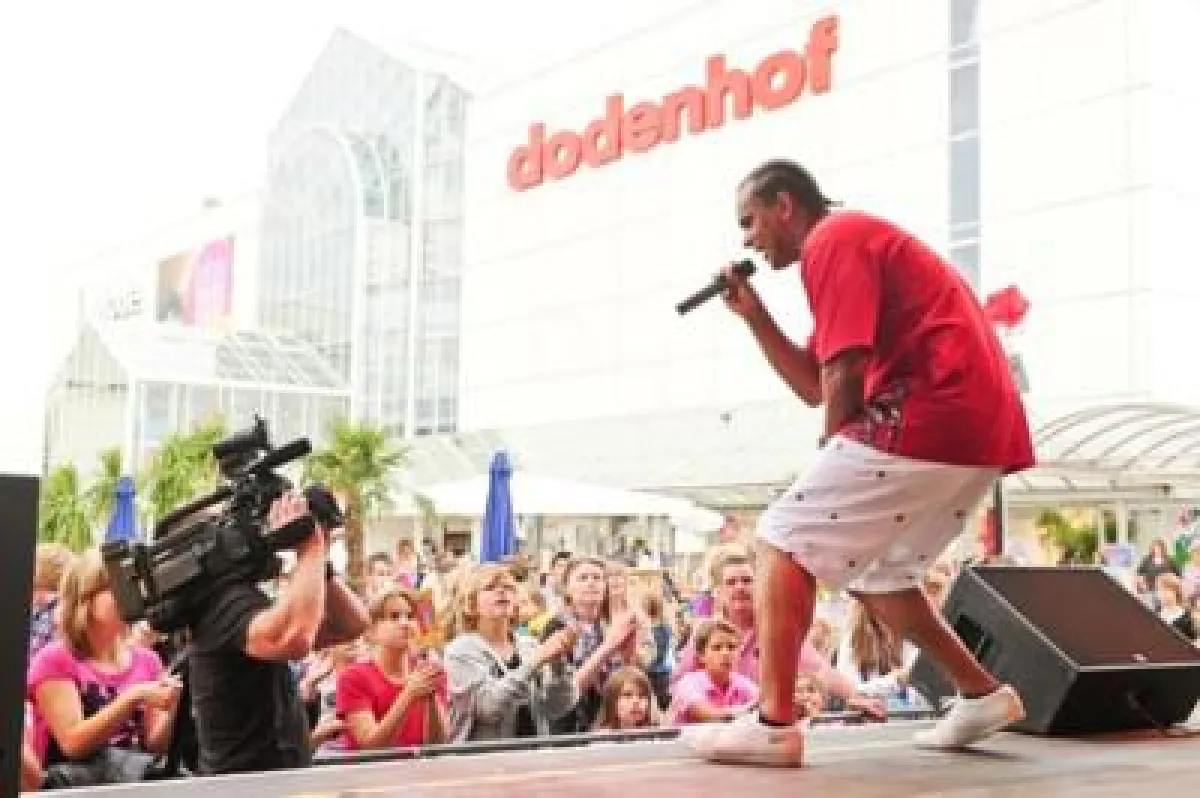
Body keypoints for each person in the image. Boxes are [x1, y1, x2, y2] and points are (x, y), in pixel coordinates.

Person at [685, 159, 1034, 767]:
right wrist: (755, 316)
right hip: (975, 429)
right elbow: (814, 384)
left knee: (781, 537)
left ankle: (773, 723)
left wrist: (834, 449)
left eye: (750, 221)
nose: (747, 239)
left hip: (932, 411)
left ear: (784, 205)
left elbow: (844, 369)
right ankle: (981, 694)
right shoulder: (851, 247)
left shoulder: (834, 240)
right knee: (883, 576)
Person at [186, 486, 370, 775]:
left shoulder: (244, 601)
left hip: (278, 780)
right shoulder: (223, 606)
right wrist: (308, 547)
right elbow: (294, 638)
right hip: (246, 788)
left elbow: (350, 625)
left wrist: (319, 556)